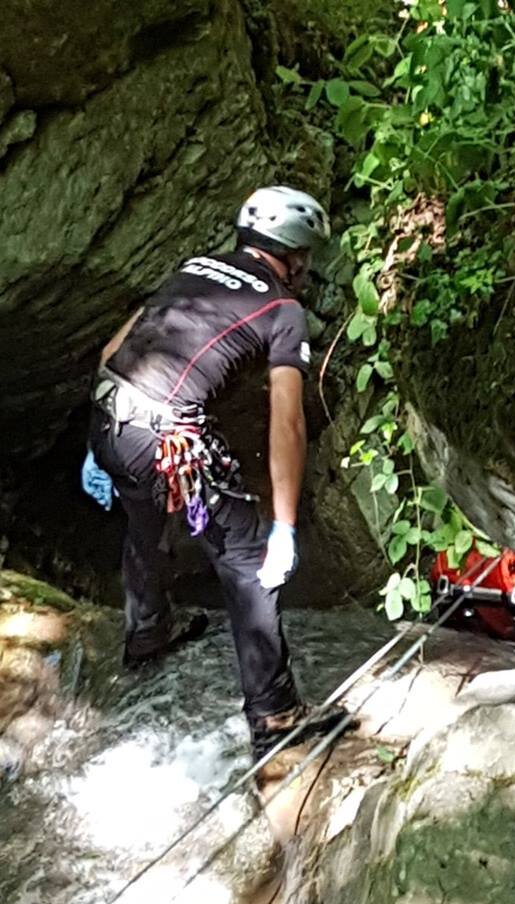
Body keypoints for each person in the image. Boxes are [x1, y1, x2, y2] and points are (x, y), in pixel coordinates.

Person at [81, 185, 345, 761]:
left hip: (109, 412)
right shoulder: (283, 309)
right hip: (167, 437)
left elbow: (111, 351)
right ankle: (275, 713)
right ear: (296, 255)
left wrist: (96, 444)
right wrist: (283, 524)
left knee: (143, 516)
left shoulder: (194, 267)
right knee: (248, 559)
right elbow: (288, 425)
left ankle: (148, 631)